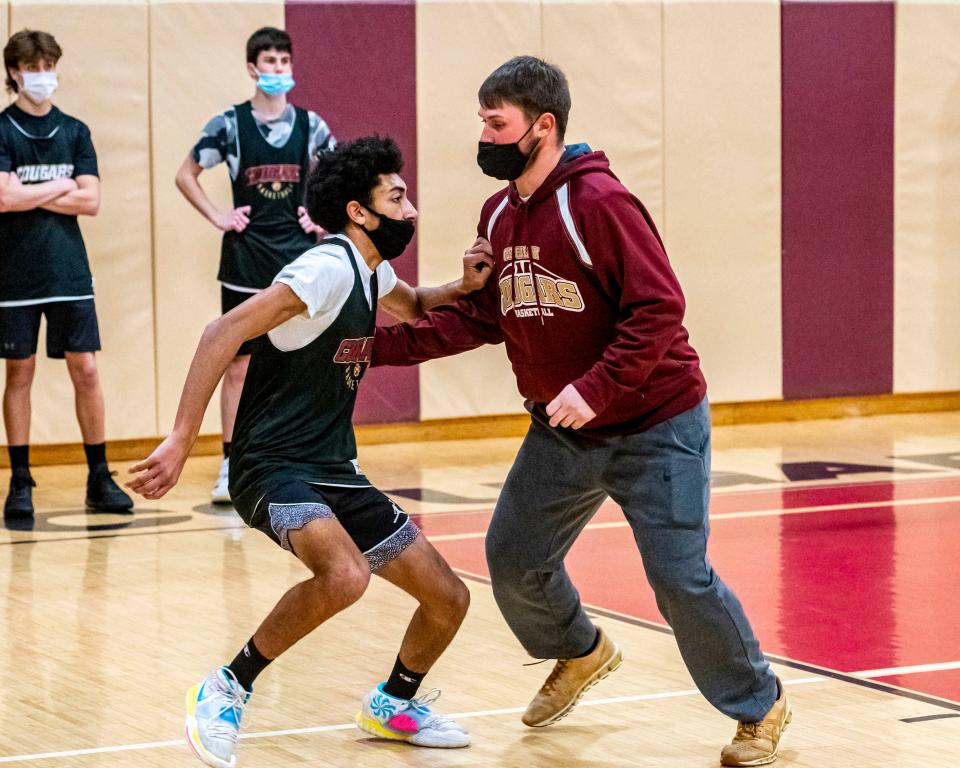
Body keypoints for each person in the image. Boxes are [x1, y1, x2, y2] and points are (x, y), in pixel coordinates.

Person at [372, 56, 792, 767]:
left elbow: (660, 309)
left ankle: (760, 705)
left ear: (542, 126)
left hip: (656, 424)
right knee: (513, 556)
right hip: (563, 431)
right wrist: (367, 349)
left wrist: (595, 388)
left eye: (496, 122)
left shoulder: (599, 202)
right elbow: (481, 318)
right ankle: (580, 650)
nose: (484, 134)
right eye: (481, 120)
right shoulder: (499, 212)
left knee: (679, 578)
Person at [128, 136, 494, 768]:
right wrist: (182, 439)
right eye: (397, 197)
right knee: (345, 575)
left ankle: (394, 704)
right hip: (269, 464)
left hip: (331, 466)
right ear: (358, 210)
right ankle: (226, 688)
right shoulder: (324, 269)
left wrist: (458, 287)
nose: (411, 210)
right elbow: (223, 330)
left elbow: (407, 305)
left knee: (448, 597)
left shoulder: (370, 269)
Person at [175, 26, 335, 504]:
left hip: (299, 261)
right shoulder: (229, 125)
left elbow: (342, 175)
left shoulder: (312, 126)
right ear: (252, 68)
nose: (277, 70)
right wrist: (218, 216)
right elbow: (186, 174)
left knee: (307, 360)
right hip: (245, 261)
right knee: (239, 363)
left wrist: (321, 216)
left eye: (284, 62)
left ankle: (307, 457)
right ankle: (230, 462)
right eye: (269, 62)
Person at [0, 29, 133, 520]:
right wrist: (62, 186)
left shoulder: (74, 130)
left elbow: (91, 200)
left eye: (49, 65)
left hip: (69, 271)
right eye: (33, 67)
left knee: (87, 369)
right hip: (15, 274)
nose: (43, 75)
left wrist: (30, 191)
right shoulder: (3, 130)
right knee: (20, 372)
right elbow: (2, 198)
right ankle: (19, 481)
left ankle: (99, 477)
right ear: (15, 72)